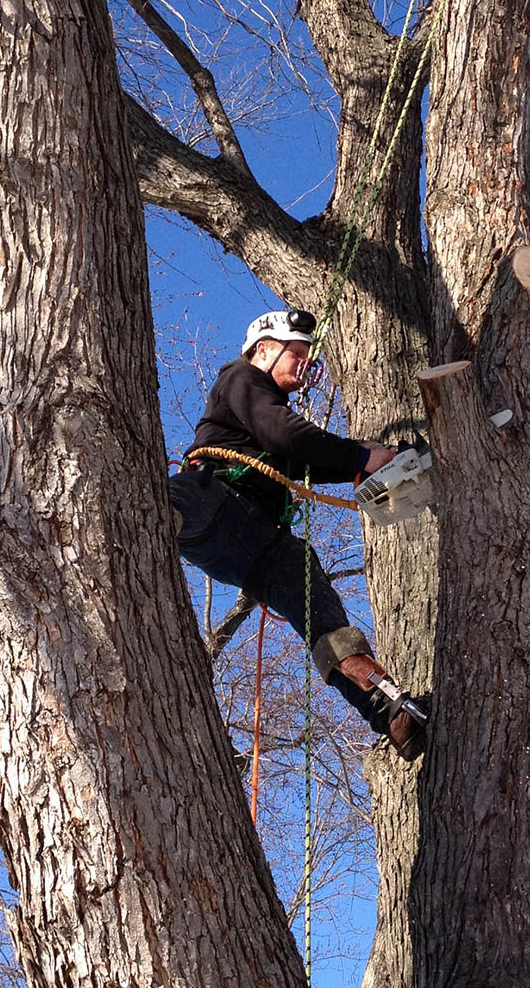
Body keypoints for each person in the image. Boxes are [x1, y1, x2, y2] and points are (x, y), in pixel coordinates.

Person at [168, 308, 427, 760]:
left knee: (312, 595)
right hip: (212, 497)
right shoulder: (243, 379)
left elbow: (310, 458)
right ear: (264, 349)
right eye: (297, 352)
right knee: (183, 503)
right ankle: (155, 516)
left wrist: (378, 458)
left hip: (249, 540)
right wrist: (361, 456)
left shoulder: (272, 421)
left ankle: (389, 710)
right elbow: (287, 436)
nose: (305, 364)